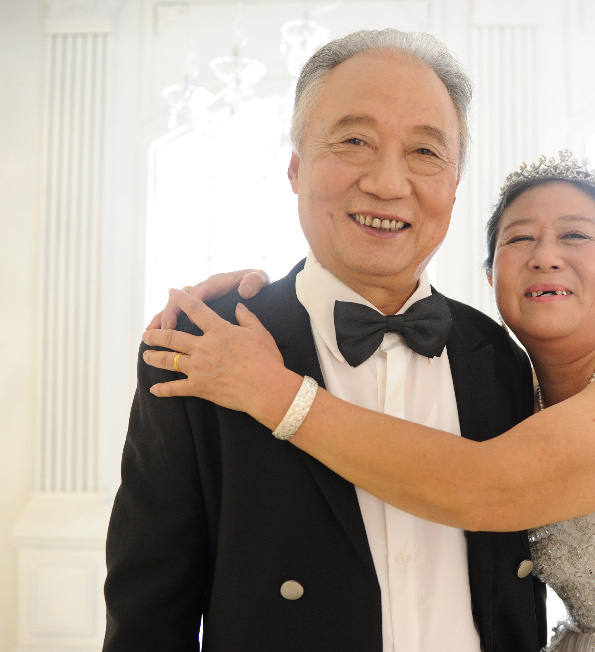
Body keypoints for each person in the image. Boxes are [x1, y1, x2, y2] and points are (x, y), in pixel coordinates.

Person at [144, 151, 595, 650]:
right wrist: (246, 300)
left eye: (575, 236)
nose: (545, 256)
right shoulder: (501, 383)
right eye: (518, 239)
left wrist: (276, 392)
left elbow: (485, 487)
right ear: (491, 276)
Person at [104, 29, 547, 652]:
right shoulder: (204, 339)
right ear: (295, 166)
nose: (388, 183)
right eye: (354, 141)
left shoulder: (501, 357)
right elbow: (147, 616)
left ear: (454, 183)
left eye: (425, 151)